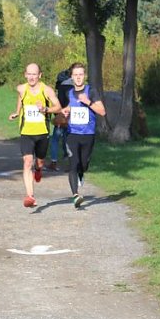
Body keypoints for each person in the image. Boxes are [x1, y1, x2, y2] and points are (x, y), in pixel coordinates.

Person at [8, 63, 61, 208]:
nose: (31, 77)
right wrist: (17, 112)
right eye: (29, 74)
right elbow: (21, 98)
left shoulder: (46, 90)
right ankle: (30, 196)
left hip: (42, 133)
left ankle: (38, 170)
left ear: (40, 75)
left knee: (39, 162)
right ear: (25, 75)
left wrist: (45, 109)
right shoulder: (21, 88)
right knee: (27, 162)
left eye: (34, 74)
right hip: (26, 132)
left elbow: (58, 107)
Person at [61, 62, 106, 209]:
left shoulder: (91, 91)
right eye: (75, 75)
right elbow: (69, 107)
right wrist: (66, 111)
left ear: (85, 76)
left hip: (88, 134)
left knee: (83, 164)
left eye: (81, 74)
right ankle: (75, 195)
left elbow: (102, 111)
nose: (78, 77)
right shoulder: (69, 93)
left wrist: (88, 102)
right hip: (72, 134)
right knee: (73, 163)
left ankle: (82, 172)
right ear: (71, 77)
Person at [48, 67, 73, 171]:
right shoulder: (75, 87)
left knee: (55, 140)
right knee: (69, 140)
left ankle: (53, 162)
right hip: (72, 117)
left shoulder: (61, 88)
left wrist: (56, 114)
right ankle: (71, 163)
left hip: (61, 117)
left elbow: (58, 104)